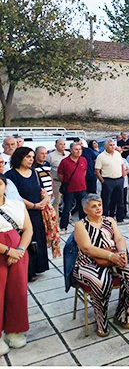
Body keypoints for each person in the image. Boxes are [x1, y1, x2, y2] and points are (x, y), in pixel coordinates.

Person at [73, 194, 129, 337]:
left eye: (99, 205)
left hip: (114, 257)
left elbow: (119, 239)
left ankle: (125, 314)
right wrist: (111, 256)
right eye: (94, 206)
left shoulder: (109, 220)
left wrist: (122, 252)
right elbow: (87, 248)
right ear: (85, 210)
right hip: (88, 262)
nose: (98, 208)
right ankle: (101, 321)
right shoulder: (81, 225)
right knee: (101, 282)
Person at [6, 147, 51, 281]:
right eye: (28, 157)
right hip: (22, 213)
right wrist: (33, 205)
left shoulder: (34, 172)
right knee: (26, 240)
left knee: (38, 239)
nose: (31, 160)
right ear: (19, 158)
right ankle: (28, 271)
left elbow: (42, 189)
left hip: (38, 212)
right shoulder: (11, 175)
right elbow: (15, 197)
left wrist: (45, 199)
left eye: (32, 157)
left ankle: (39, 266)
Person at [0, 172, 33, 355]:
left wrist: (19, 250)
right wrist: (8, 251)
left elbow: (28, 229)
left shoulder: (17, 205)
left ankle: (14, 331)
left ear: (5, 186)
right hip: (4, 252)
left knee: (17, 292)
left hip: (18, 253)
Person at [57, 142, 88, 232]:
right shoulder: (65, 161)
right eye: (76, 149)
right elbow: (60, 175)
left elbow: (84, 172)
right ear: (71, 150)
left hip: (82, 188)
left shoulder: (83, 160)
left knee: (83, 207)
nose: (79, 151)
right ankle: (63, 226)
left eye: (80, 149)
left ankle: (84, 224)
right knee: (67, 208)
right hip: (69, 189)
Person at [94, 139, 125, 223]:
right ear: (106, 147)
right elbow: (97, 171)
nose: (112, 146)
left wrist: (123, 176)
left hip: (119, 179)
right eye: (110, 145)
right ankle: (106, 218)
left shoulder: (117, 154)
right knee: (106, 200)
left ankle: (120, 218)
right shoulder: (101, 156)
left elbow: (122, 165)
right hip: (108, 180)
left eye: (113, 145)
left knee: (120, 200)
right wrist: (103, 181)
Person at [47, 139, 69, 214]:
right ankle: (56, 219)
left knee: (68, 202)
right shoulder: (50, 156)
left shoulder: (68, 154)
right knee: (56, 202)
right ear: (55, 146)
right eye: (60, 144)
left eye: (64, 144)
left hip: (68, 182)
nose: (63, 146)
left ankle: (67, 218)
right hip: (56, 182)